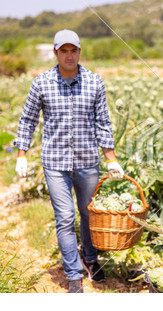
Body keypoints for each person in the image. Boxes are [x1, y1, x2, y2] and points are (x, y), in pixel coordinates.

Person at [13, 29, 124, 293]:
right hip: (55, 162)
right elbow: (27, 120)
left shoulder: (94, 82)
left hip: (87, 160)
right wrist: (21, 155)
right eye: (63, 51)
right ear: (55, 53)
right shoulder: (42, 83)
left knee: (88, 214)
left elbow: (103, 123)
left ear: (79, 52)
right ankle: (73, 274)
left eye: (73, 50)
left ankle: (90, 258)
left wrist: (111, 158)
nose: (69, 55)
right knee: (64, 217)